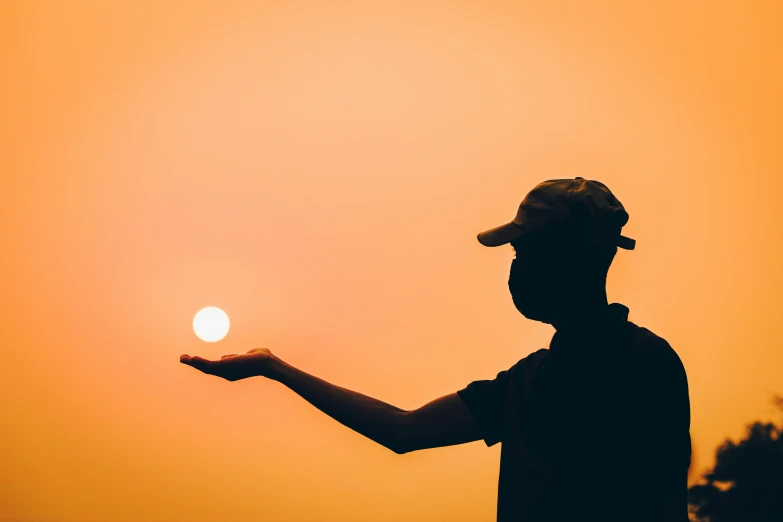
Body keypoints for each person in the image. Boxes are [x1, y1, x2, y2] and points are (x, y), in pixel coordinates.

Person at [180, 177, 692, 522]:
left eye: (522, 252)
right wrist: (274, 368)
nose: (515, 269)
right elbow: (403, 430)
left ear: (569, 257)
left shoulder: (640, 368)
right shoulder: (529, 380)